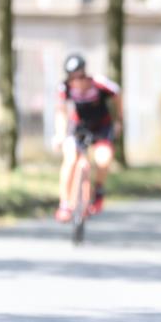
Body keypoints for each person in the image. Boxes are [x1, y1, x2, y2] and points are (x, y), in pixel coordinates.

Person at [54, 53, 122, 221]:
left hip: (102, 127)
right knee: (70, 159)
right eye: (72, 77)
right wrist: (60, 134)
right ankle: (64, 204)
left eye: (80, 76)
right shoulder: (65, 88)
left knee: (103, 160)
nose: (76, 81)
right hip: (78, 128)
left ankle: (98, 191)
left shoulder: (99, 83)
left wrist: (118, 121)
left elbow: (117, 94)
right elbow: (61, 111)